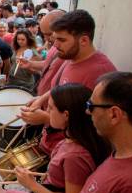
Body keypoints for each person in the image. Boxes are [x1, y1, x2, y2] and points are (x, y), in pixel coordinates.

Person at [20, 10, 116, 153]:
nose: (55, 45)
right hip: (53, 142)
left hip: (72, 152)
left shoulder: (99, 72)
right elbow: (60, 87)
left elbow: (91, 124)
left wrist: (46, 118)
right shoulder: (71, 57)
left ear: (83, 40)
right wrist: (41, 99)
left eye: (62, 40)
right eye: (55, 38)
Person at [15, 83, 110, 193]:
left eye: (51, 108)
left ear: (66, 115)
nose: (46, 110)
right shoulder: (71, 137)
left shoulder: (75, 157)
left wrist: (33, 185)